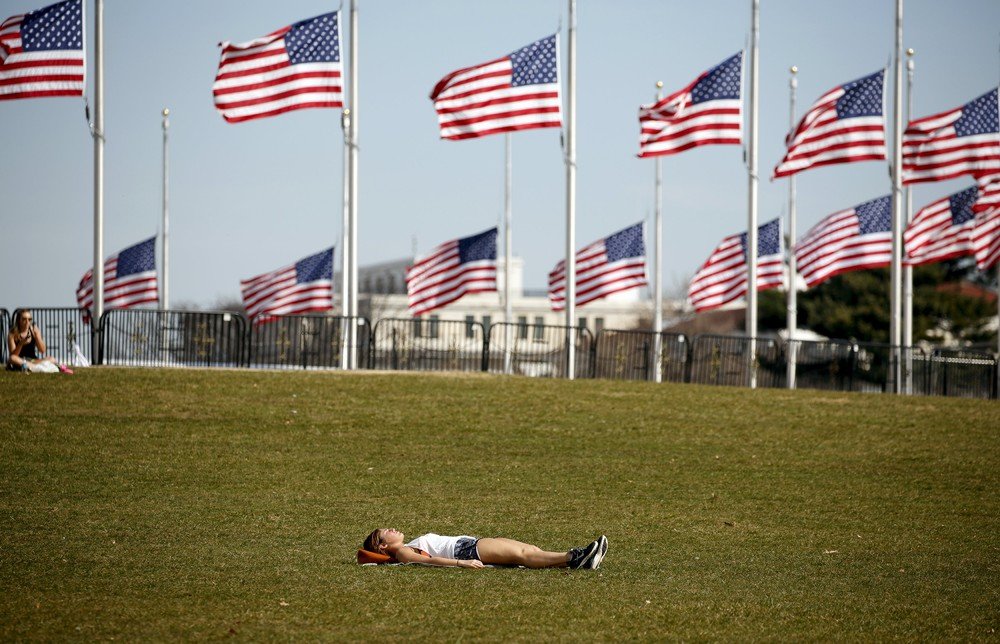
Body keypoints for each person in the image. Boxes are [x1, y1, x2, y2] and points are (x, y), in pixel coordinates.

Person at [361, 528, 608, 570]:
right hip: (466, 551)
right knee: (523, 555)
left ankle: (580, 560)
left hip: (470, 545)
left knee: (529, 550)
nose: (393, 529)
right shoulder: (403, 552)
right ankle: (575, 557)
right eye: (387, 533)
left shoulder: (408, 546)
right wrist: (462, 563)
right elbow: (429, 561)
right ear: (383, 546)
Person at [6, 309, 72, 374]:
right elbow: (13, 355)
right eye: (24, 319)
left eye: (29, 319)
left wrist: (37, 336)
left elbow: (42, 350)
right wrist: (20, 344)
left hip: (33, 360)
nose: (27, 322)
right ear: (19, 320)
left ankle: (34, 367)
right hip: (21, 361)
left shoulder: (33, 330)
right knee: (12, 358)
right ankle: (38, 368)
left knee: (52, 359)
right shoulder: (12, 334)